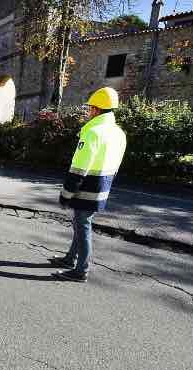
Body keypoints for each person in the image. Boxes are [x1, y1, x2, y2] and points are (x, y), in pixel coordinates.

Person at [50, 87, 127, 283]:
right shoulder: (118, 133)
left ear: (96, 109)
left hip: (87, 187)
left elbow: (79, 167)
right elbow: (116, 165)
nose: (88, 111)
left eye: (90, 108)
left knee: (83, 226)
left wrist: (66, 193)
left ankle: (80, 270)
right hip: (103, 186)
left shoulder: (93, 132)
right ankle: (70, 259)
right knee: (80, 223)